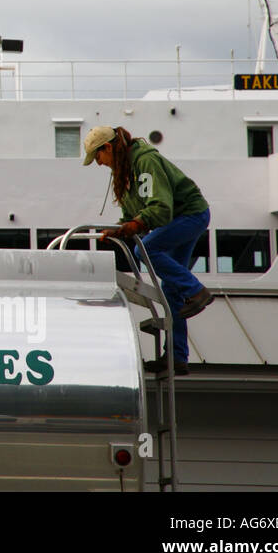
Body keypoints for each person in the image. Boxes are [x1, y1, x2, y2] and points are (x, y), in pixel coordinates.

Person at [83, 126, 213, 375]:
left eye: (98, 157)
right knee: (169, 288)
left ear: (107, 148)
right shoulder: (125, 169)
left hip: (190, 215)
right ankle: (176, 358)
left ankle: (196, 291)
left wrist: (132, 227)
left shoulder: (145, 161)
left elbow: (160, 209)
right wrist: (122, 228)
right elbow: (133, 214)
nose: (99, 164)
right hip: (184, 216)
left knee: (147, 250)